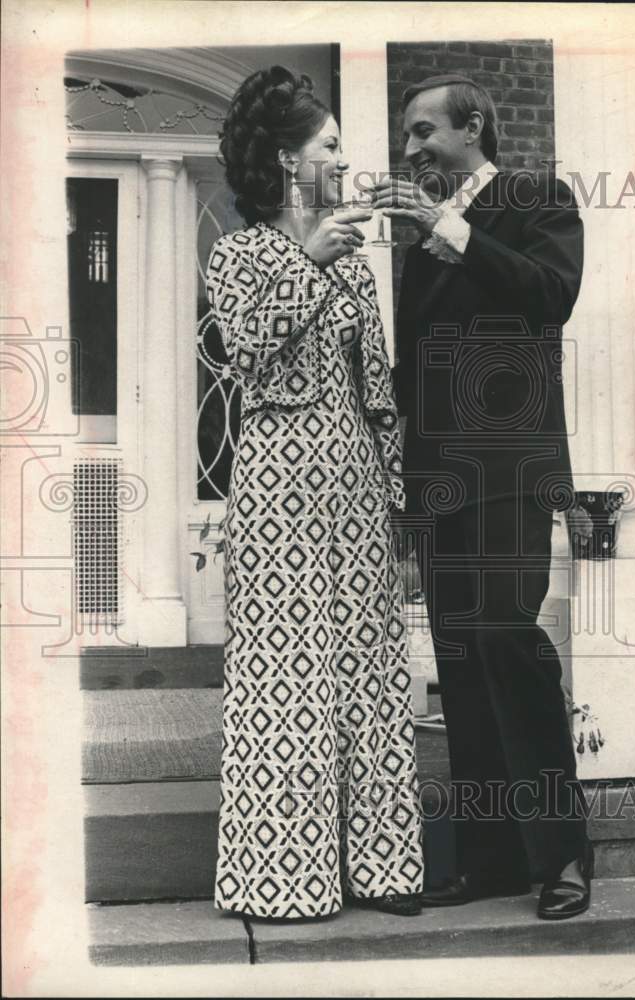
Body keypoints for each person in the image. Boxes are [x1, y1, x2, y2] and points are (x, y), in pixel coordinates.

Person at [372, 73, 592, 920]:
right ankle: (492, 862)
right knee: (460, 662)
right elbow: (418, 375)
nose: (410, 149)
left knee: (506, 639)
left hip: (509, 472)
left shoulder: (536, 198)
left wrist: (448, 228)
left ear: (472, 128)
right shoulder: (418, 246)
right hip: (440, 482)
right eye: (407, 135)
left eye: (423, 131)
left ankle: (562, 855)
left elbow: (550, 296)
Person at [205, 65, 424, 921]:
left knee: (369, 663)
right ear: (288, 159)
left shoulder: (356, 263)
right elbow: (246, 350)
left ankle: (383, 870)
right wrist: (305, 261)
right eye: (329, 145)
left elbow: (379, 389)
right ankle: (284, 878)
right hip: (277, 480)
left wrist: (396, 497)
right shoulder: (237, 253)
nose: (342, 158)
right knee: (283, 669)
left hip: (355, 477)